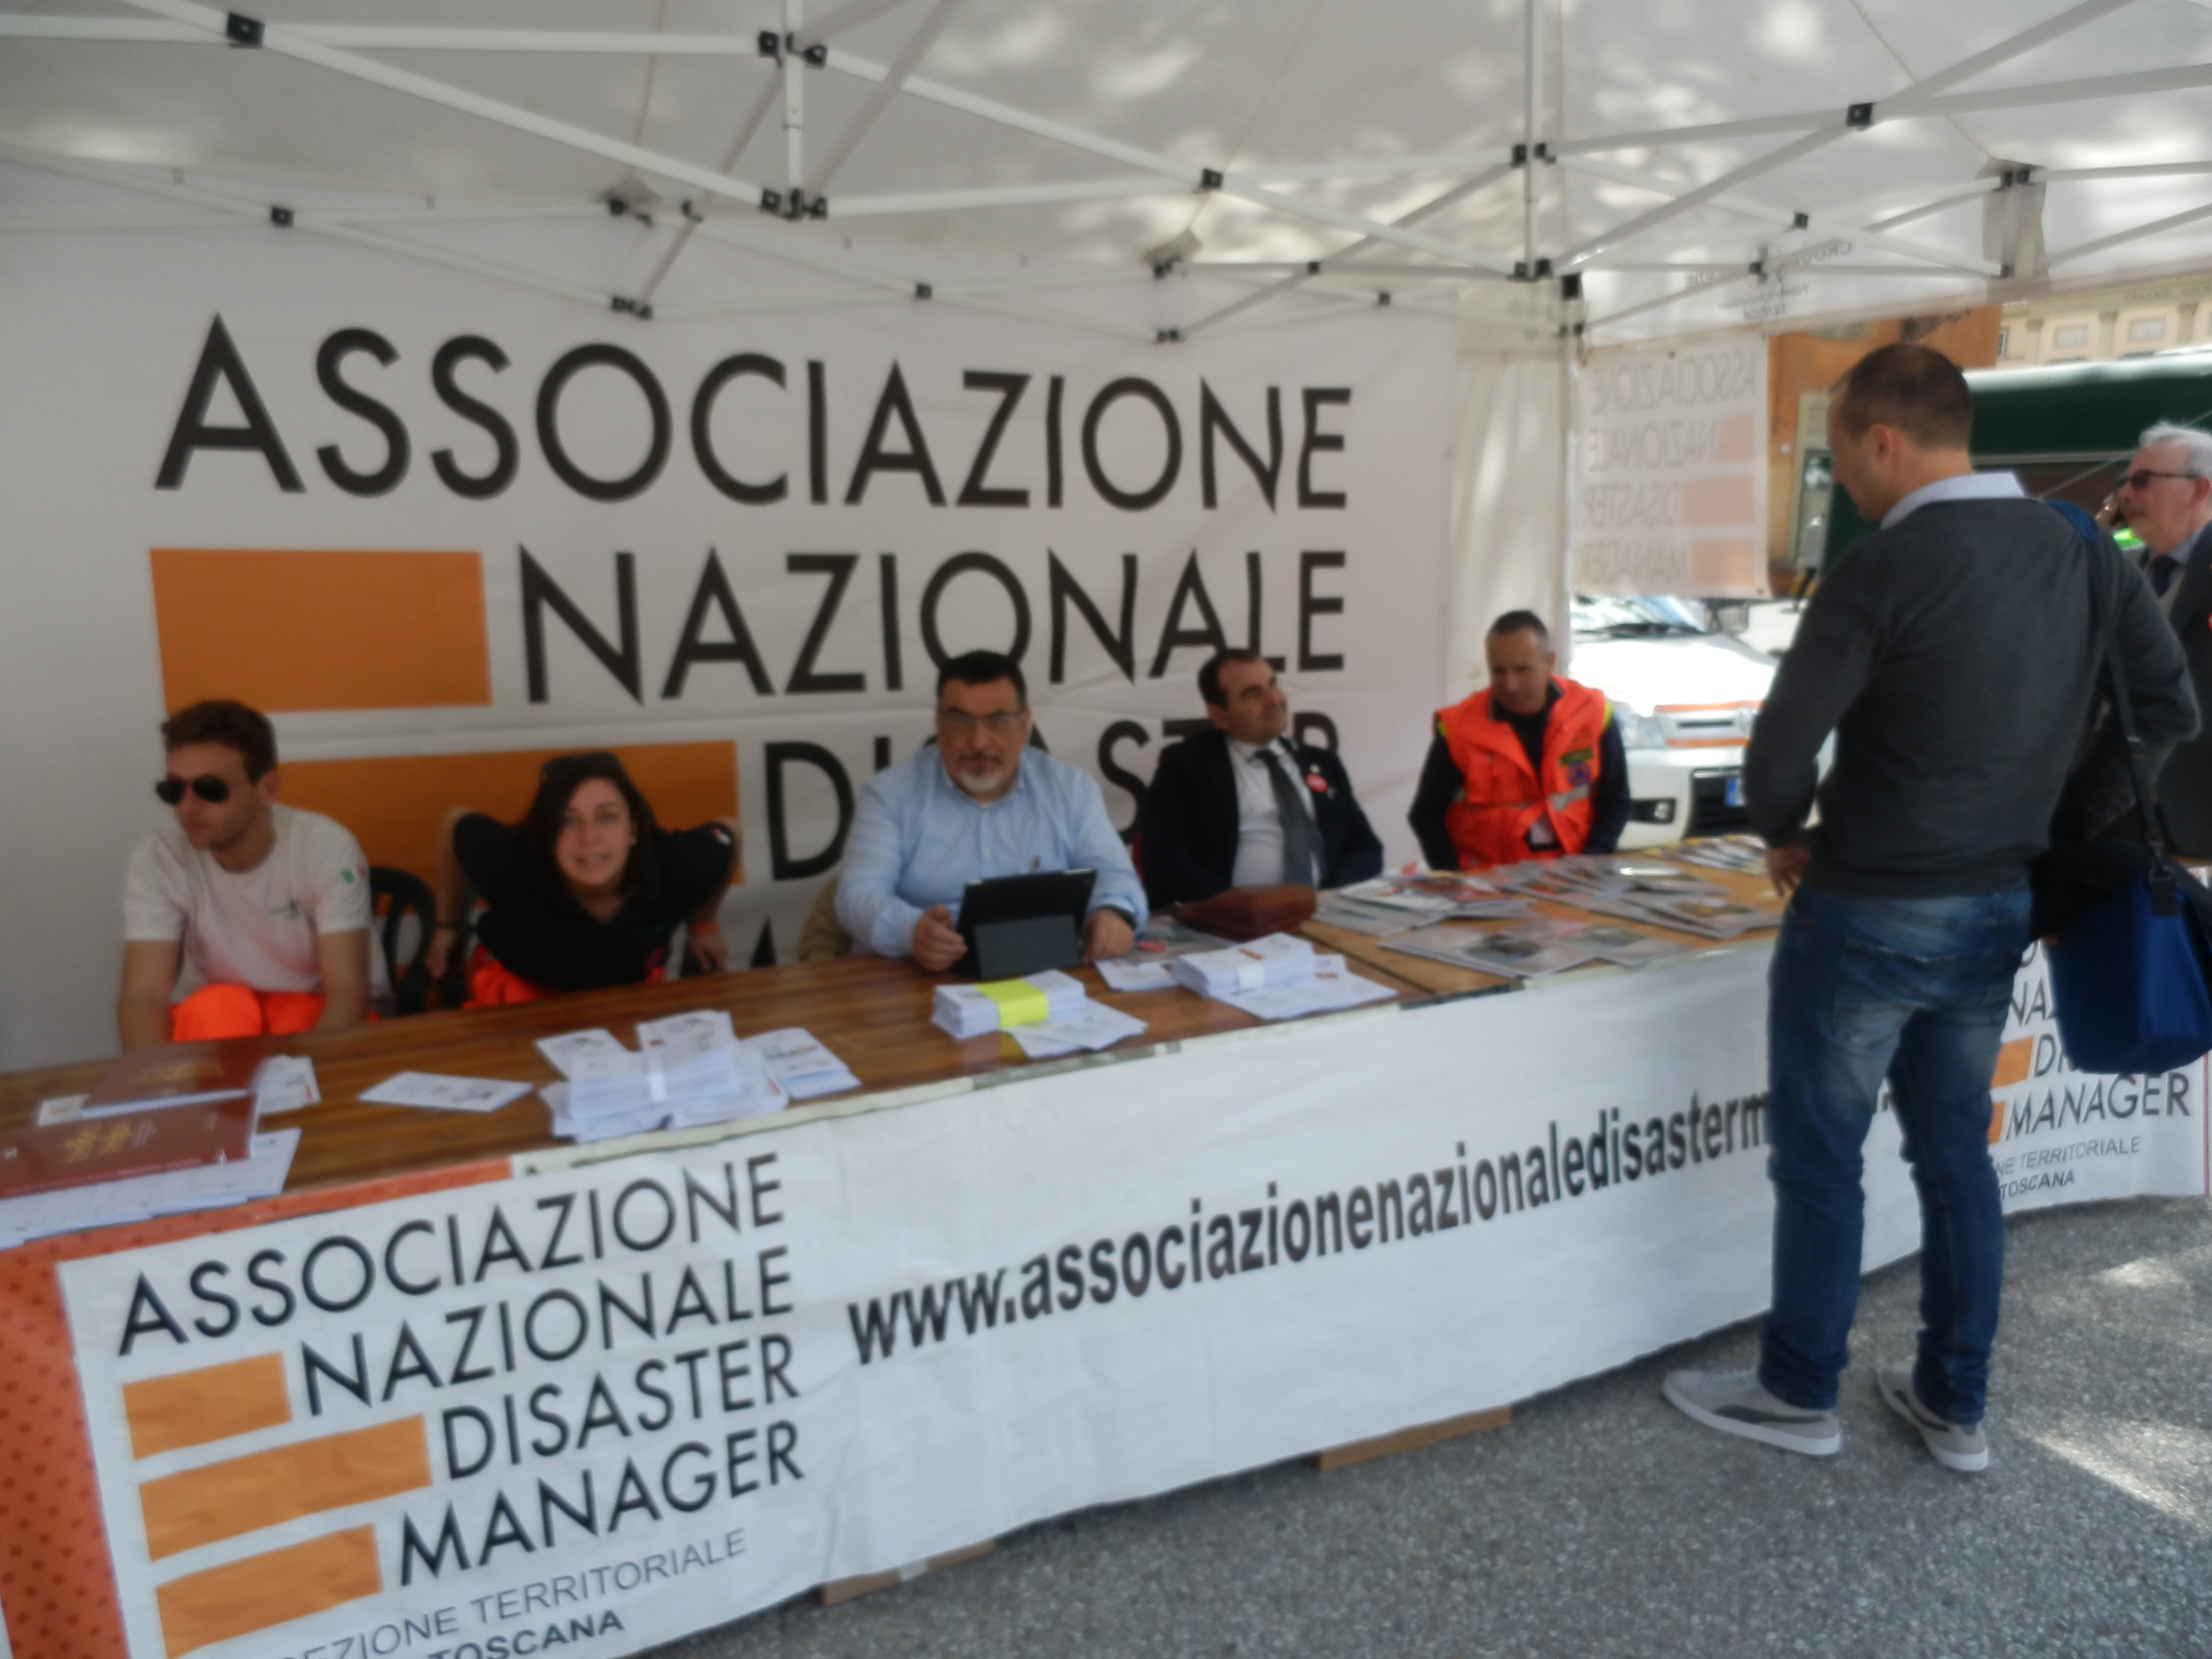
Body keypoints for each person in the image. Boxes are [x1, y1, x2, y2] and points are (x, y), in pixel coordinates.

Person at [1664, 344, 2196, 1473]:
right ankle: (1955, 1403)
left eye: (1842, 457)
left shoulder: (1885, 564)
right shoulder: (2078, 546)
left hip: (1865, 906)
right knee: (1957, 1155)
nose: (1845, 482)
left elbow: (1780, 748)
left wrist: (1782, 829)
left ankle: (1798, 1390)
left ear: (1885, 439)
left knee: (1824, 1158)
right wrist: (2061, 825)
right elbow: (2166, 709)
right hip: (1996, 901)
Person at [837, 650, 1146, 971]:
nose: (979, 741)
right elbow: (856, 895)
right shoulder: (890, 795)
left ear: (1025, 725)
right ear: (939, 726)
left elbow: (1117, 878)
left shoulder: (1070, 790)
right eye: (960, 720)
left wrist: (1113, 914)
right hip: (922, 976)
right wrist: (910, 931)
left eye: (998, 720)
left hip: (1046, 972)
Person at [119, 700, 379, 1047]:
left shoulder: (325, 847)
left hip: (314, 1012)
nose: (187, 807)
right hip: (225, 1017)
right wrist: (153, 1077)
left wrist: (308, 1074)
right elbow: (143, 997)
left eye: (210, 789)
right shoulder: (158, 858)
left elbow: (347, 991)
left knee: (291, 1018)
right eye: (174, 790)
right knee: (216, 1010)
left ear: (266, 790)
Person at [427, 753, 737, 1004]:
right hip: (521, 1000)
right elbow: (455, 822)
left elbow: (730, 834)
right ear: (546, 835)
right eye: (566, 821)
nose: (589, 838)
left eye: (607, 817)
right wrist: (448, 925)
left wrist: (704, 925)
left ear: (632, 829)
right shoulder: (511, 863)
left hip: (629, 999)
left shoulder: (674, 865)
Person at [1136, 649, 1383, 906]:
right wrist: (1240, 906)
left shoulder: (1322, 762)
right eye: (1253, 694)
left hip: (1324, 912)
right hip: (1234, 918)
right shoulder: (1187, 765)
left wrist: (1326, 899)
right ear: (1220, 715)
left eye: (1273, 685)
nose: (1274, 699)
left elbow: (1366, 847)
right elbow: (1164, 861)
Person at [1408, 611, 1630, 869]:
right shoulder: (1459, 729)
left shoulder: (1591, 712)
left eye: (1522, 670)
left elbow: (1616, 800)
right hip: (1488, 884)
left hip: (1575, 877)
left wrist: (1592, 862)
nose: (1510, 685)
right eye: (1498, 671)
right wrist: (1455, 880)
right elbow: (1426, 815)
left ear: (1550, 663)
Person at [2107, 422, 2212, 852]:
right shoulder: (2115, 572)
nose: (2124, 495)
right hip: (2108, 811)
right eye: (2124, 482)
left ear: (2200, 490)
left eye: (2143, 481)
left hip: (2197, 815)